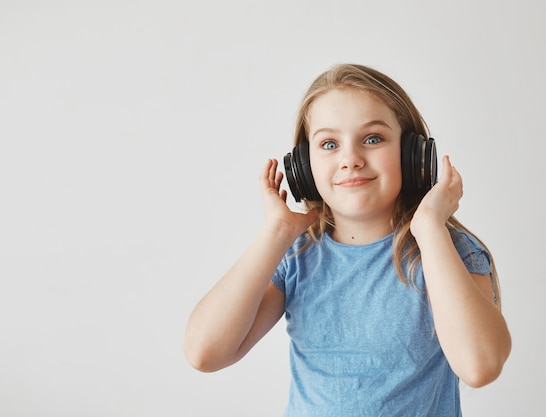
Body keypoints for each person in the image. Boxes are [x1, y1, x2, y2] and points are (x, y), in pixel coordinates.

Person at [183, 63, 511, 416]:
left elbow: (480, 366)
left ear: (411, 153)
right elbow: (204, 352)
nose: (350, 159)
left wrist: (430, 227)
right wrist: (277, 232)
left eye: (373, 139)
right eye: (329, 144)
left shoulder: (446, 252)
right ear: (305, 168)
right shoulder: (297, 256)